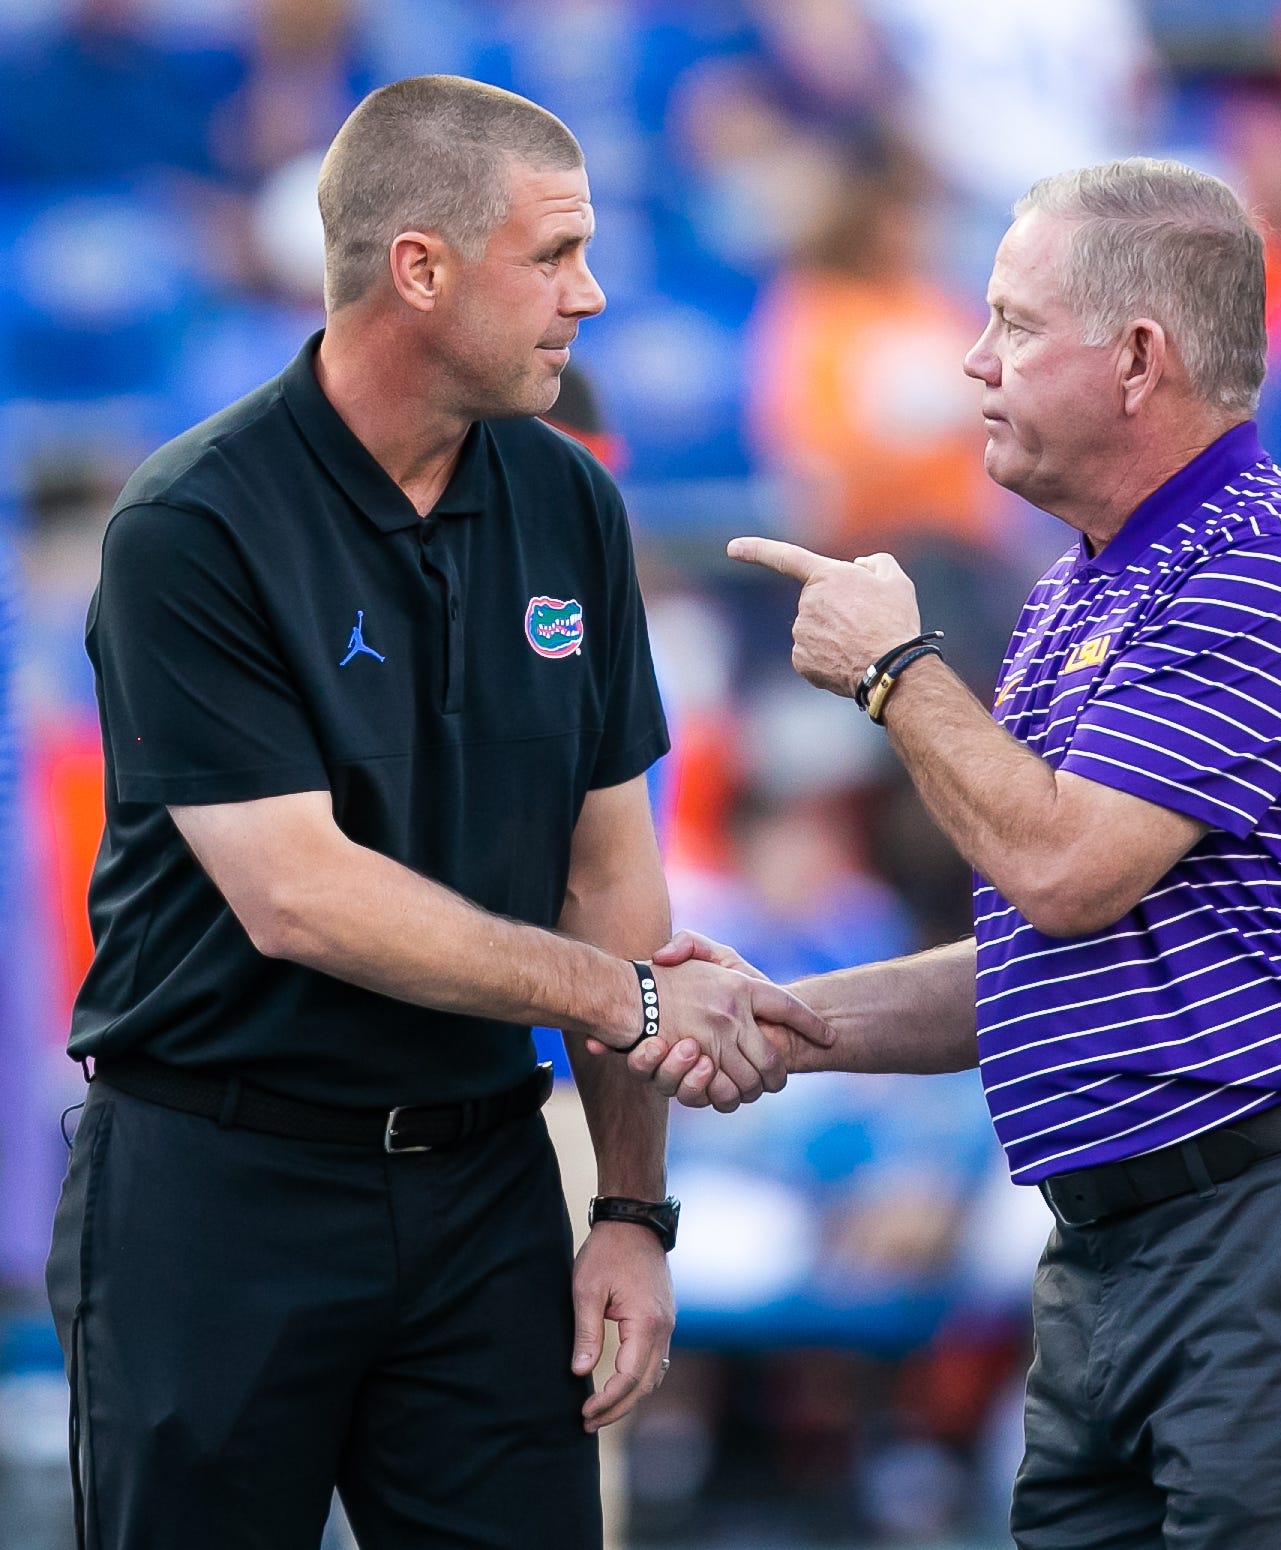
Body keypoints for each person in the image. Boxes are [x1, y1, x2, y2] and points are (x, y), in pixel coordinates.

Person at [45, 74, 829, 1550]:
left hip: (482, 1183)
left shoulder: (572, 504)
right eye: (554, 255)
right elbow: (299, 894)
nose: (589, 297)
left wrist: (632, 1215)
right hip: (218, 1188)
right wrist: (625, 992)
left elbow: (612, 871)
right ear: (419, 267)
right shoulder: (191, 525)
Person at [634, 158, 1281, 1546]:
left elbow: (1068, 868)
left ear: (1139, 357)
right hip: (1116, 1244)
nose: (973, 357)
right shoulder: (1079, 588)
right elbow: (1046, 950)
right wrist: (794, 1017)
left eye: (1014, 322)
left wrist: (895, 668)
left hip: (1273, 1229)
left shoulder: (1270, 553)